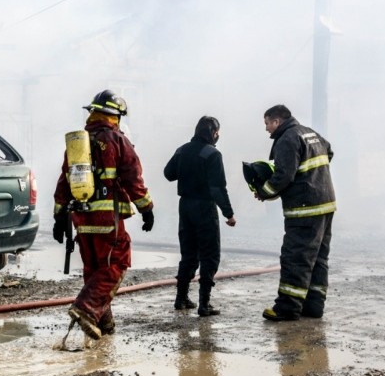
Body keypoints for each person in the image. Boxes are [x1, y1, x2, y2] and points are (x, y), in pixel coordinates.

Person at [52, 89, 154, 340]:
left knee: (95, 268)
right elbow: (133, 178)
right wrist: (147, 208)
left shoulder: (79, 143)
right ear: (115, 115)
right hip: (108, 218)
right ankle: (86, 310)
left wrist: (58, 216)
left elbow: (64, 182)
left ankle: (103, 323)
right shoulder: (117, 139)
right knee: (117, 262)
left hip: (82, 219)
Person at [254, 104, 336, 321]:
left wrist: (263, 192)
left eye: (267, 124)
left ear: (276, 121)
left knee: (296, 256)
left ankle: (287, 308)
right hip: (326, 205)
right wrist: (314, 176)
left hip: (305, 209)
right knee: (318, 258)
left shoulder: (287, 139)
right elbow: (329, 152)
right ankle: (313, 306)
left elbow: (283, 176)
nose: (266, 129)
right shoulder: (310, 133)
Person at [163, 116, 236, 316]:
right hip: (205, 207)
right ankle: (204, 304)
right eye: (217, 132)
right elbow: (218, 188)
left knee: (188, 254)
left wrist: (187, 169)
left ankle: (181, 299)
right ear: (213, 133)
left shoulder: (182, 150)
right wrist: (228, 213)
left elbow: (168, 174)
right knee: (209, 255)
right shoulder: (213, 154)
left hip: (185, 207)